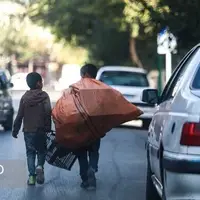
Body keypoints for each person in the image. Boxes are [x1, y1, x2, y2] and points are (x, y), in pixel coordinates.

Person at [12, 72, 52, 186]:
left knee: (30, 153)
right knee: (41, 151)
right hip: (41, 130)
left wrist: (15, 130)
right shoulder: (44, 96)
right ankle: (39, 166)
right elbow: (48, 113)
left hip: (28, 131)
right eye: (41, 81)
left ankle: (31, 178)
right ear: (39, 83)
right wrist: (48, 128)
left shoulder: (25, 97)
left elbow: (19, 115)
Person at [76, 64, 101, 190]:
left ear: (85, 75)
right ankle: (92, 168)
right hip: (96, 129)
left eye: (81, 75)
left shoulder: (77, 88)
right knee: (94, 152)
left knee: (81, 154)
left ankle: (85, 179)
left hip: (81, 128)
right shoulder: (101, 89)